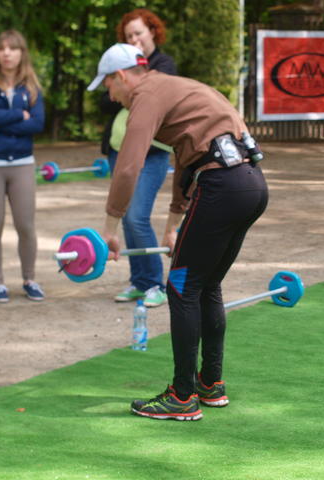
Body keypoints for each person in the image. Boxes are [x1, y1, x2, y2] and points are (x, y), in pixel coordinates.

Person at [87, 44, 269, 421]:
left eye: (108, 86)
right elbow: (188, 160)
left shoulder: (146, 96)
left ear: (121, 76)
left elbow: (128, 166)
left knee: (182, 288)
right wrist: (173, 224)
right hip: (251, 184)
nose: (111, 96)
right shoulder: (179, 87)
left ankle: (182, 396)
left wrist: (109, 228)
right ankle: (211, 384)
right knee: (207, 284)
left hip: (221, 188)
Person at [99, 9, 177, 308]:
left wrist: (128, 92)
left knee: (136, 216)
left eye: (139, 33)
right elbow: (105, 102)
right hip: (117, 150)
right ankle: (139, 281)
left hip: (152, 153)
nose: (134, 39)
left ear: (152, 32)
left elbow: (152, 100)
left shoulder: (162, 65)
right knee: (128, 217)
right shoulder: (118, 67)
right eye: (129, 35)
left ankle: (156, 283)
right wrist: (120, 93)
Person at [0, 30, 45, 303]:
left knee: (26, 225)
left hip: (22, 163)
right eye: (1, 48)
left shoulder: (32, 87)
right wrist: (17, 115)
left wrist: (0, 122)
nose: (6, 53)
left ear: (21, 53)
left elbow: (37, 123)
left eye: (12, 48)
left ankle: (29, 279)